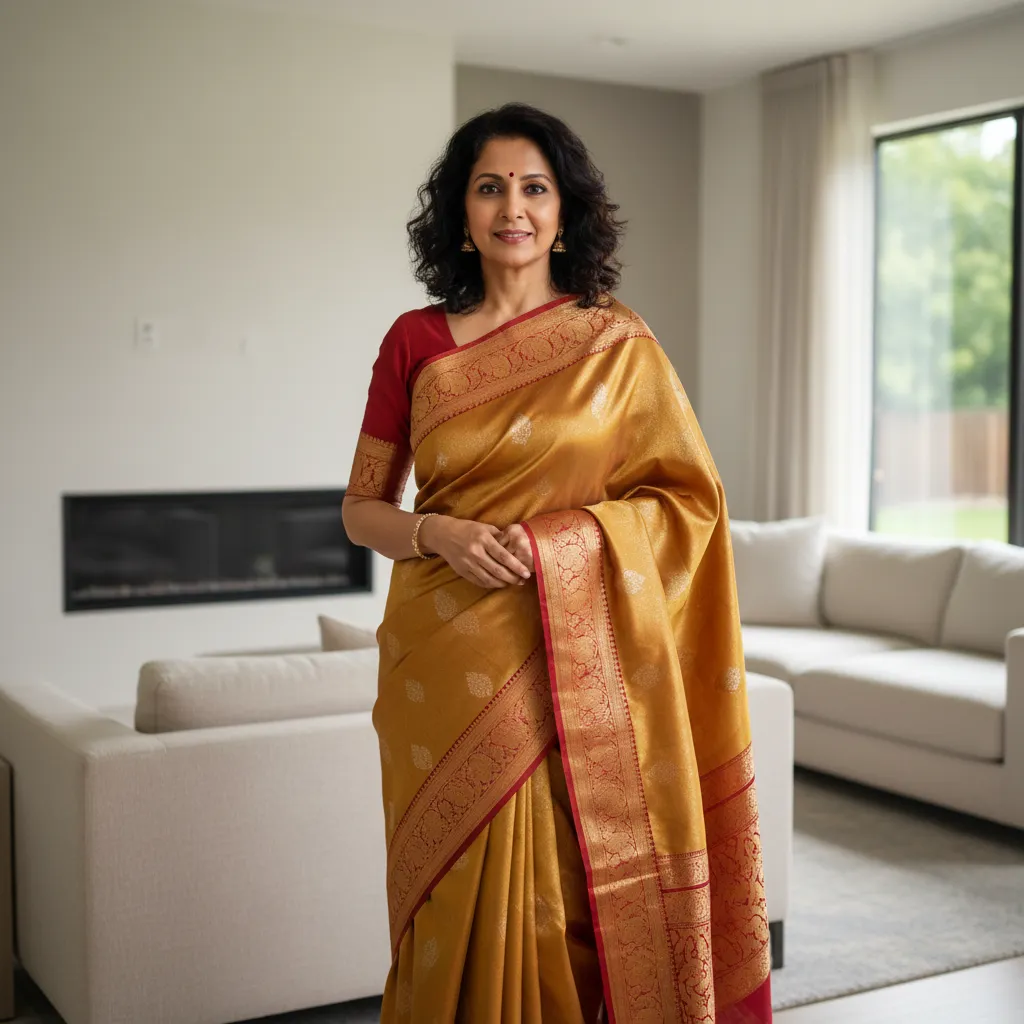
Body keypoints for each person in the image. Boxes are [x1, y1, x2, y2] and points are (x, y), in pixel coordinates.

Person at [341, 102, 772, 1024]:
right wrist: (439, 533)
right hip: (442, 660)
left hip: (574, 654)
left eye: (534, 188)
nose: (513, 208)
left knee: (568, 889)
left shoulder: (614, 343)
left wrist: (559, 545)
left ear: (564, 211)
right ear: (459, 212)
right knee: (456, 890)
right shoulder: (413, 341)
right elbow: (361, 510)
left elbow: (687, 504)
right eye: (489, 187)